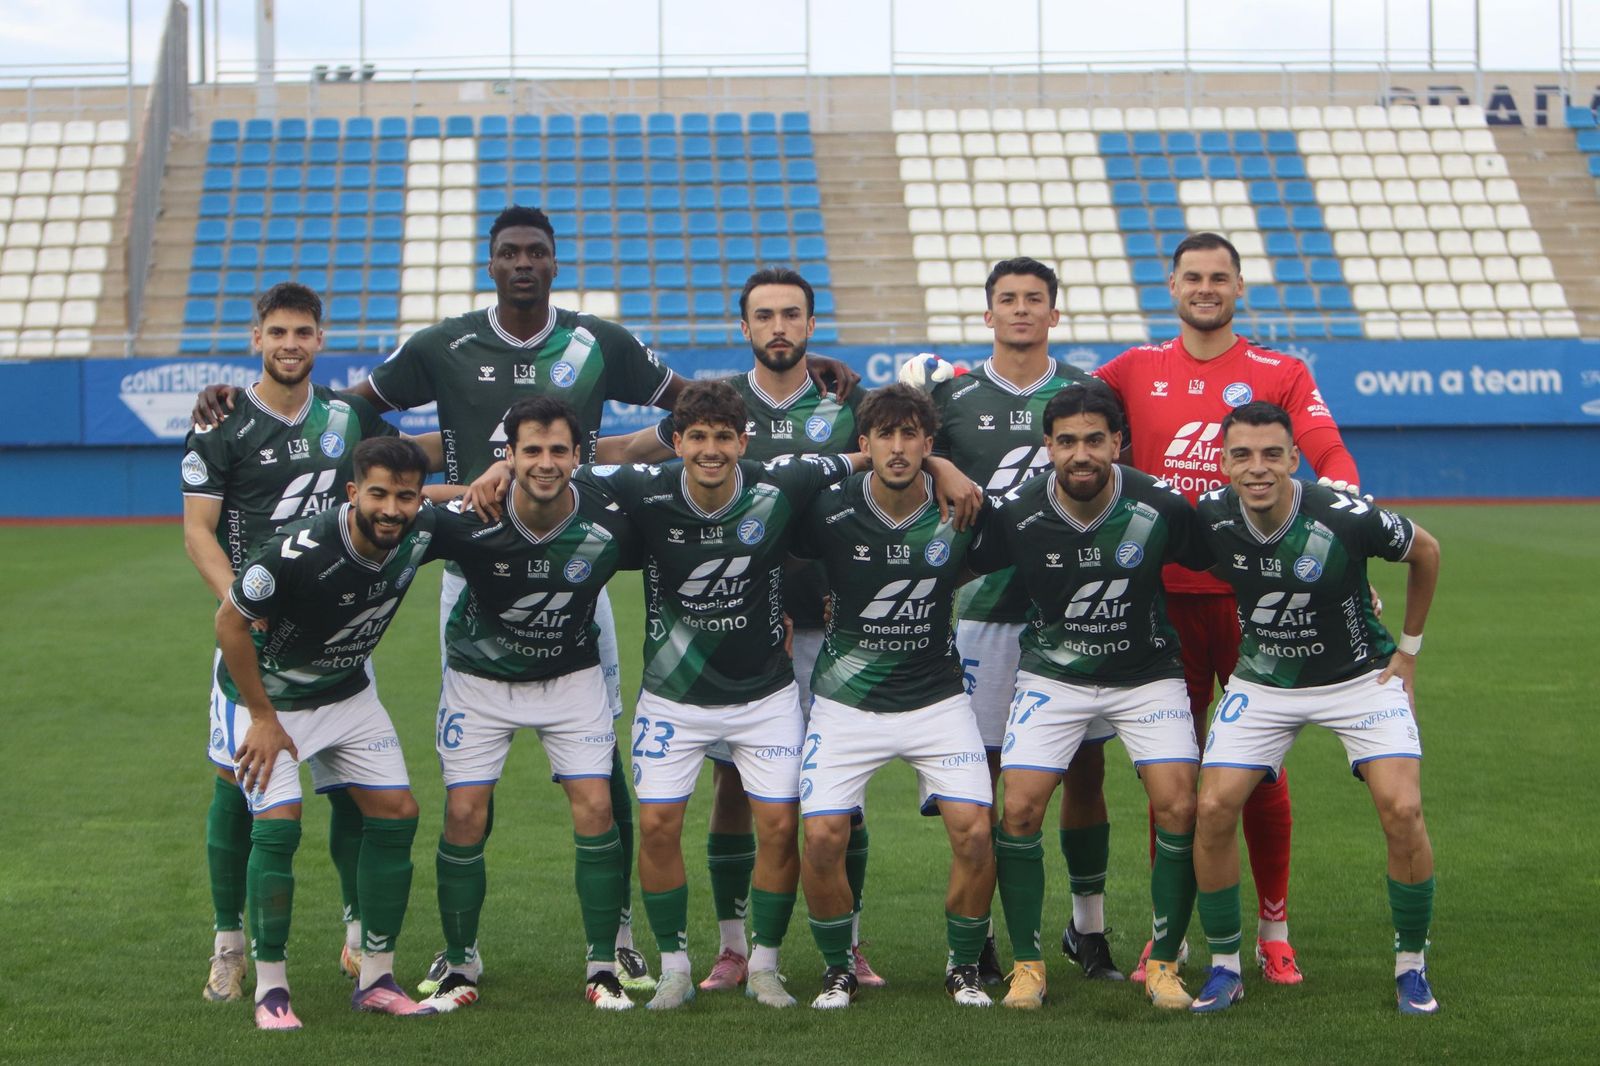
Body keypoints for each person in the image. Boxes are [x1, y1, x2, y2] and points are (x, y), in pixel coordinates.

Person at [195, 206, 860, 993]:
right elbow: (348, 409)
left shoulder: (597, 341)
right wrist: (240, 395)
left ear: (553, 262)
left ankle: (616, 940)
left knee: (600, 757)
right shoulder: (442, 344)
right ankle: (431, 949)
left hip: (576, 561)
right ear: (490, 262)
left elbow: (697, 409)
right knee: (458, 783)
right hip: (477, 556)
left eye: (535, 253)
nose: (522, 263)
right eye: (508, 252)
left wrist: (816, 372)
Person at [596, 267, 886, 992]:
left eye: (793, 314)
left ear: (811, 324)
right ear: (746, 326)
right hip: (737, 637)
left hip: (836, 624)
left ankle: (844, 942)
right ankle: (733, 948)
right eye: (765, 316)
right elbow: (630, 455)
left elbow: (894, 450)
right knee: (733, 787)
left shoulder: (846, 400)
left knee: (831, 797)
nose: (779, 326)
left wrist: (940, 466)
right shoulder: (716, 406)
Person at [1092, 232, 1362, 982]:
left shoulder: (1280, 372)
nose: (1205, 288)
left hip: (1258, 604)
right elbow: (1058, 418)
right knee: (1170, 776)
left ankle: (1274, 927)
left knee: (1260, 773)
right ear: (1170, 287)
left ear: (1240, 288)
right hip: (1159, 603)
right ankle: (1167, 933)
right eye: (1192, 277)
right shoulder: (1132, 368)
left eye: (1219, 278)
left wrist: (1348, 540)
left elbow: (1329, 454)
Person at [182, 282, 442, 1003]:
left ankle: (360, 934)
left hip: (334, 642)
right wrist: (239, 600)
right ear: (256, 339)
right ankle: (229, 945)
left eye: (303, 332)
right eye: (277, 333)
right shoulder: (221, 421)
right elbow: (198, 528)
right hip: (258, 632)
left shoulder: (350, 416)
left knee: (358, 796)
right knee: (239, 790)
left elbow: (403, 479)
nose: (290, 344)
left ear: (319, 341)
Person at [1186, 401, 1440, 1015]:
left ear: (1294, 458)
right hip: (1264, 681)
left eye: (1272, 454)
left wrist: (1407, 651)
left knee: (1402, 808)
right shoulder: (1210, 518)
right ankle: (1225, 965)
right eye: (1242, 455)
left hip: (1360, 679)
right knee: (1214, 807)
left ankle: (1412, 966)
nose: (1258, 468)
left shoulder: (1341, 514)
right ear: (1221, 462)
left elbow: (1426, 551)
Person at [906, 257, 1116, 985]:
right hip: (983, 615)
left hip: (1074, 613)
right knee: (983, 780)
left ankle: (1087, 931)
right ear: (987, 313)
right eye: (1008, 300)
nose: (1021, 310)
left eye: (1034, 300)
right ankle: (984, 936)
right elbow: (895, 455)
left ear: (1054, 314)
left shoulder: (1087, 396)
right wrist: (937, 464)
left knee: (1085, 771)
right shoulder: (950, 398)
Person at [970, 382, 1209, 1011]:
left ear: (1118, 444)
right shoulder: (1017, 511)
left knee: (1181, 808)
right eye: (1068, 441)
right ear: (1047, 445)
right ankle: (1028, 966)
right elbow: (943, 562)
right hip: (1054, 673)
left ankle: (1162, 964)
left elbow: (1232, 554)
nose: (1082, 454)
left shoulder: (1158, 504)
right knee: (1018, 811)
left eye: (1095, 441)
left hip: (1146, 674)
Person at [418, 396, 644, 1013]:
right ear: (510, 456)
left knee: (596, 805)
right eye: (531, 452)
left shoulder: (612, 519)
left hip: (571, 678)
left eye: (558, 452)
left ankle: (603, 966)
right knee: (464, 813)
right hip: (480, 681)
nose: (545, 463)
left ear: (579, 456)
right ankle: (459, 963)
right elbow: (394, 505)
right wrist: (464, 489)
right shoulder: (474, 518)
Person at [215, 437, 442, 1029]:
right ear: (352, 493)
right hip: (271, 697)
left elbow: (452, 502)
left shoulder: (419, 530)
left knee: (397, 813)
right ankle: (271, 990)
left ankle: (377, 979)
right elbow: (230, 624)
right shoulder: (299, 552)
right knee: (278, 826)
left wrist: (488, 479)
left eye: (405, 496)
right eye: (378, 494)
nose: (391, 509)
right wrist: (262, 717)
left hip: (346, 692)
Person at [790, 385, 994, 1010]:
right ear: (865, 443)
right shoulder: (827, 510)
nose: (899, 448)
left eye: (912, 437)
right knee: (823, 837)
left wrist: (948, 472)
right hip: (846, 702)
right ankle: (836, 969)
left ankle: (963, 967)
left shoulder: (963, 510)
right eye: (886, 435)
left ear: (929, 444)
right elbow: (771, 486)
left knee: (976, 834)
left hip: (936, 701)